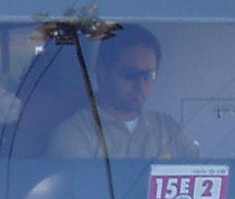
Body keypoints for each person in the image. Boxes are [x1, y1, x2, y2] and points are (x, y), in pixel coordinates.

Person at [48, 24, 199, 161]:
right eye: (130, 74)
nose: (140, 84)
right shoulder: (75, 134)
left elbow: (203, 174)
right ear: (103, 73)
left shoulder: (169, 129)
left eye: (148, 75)